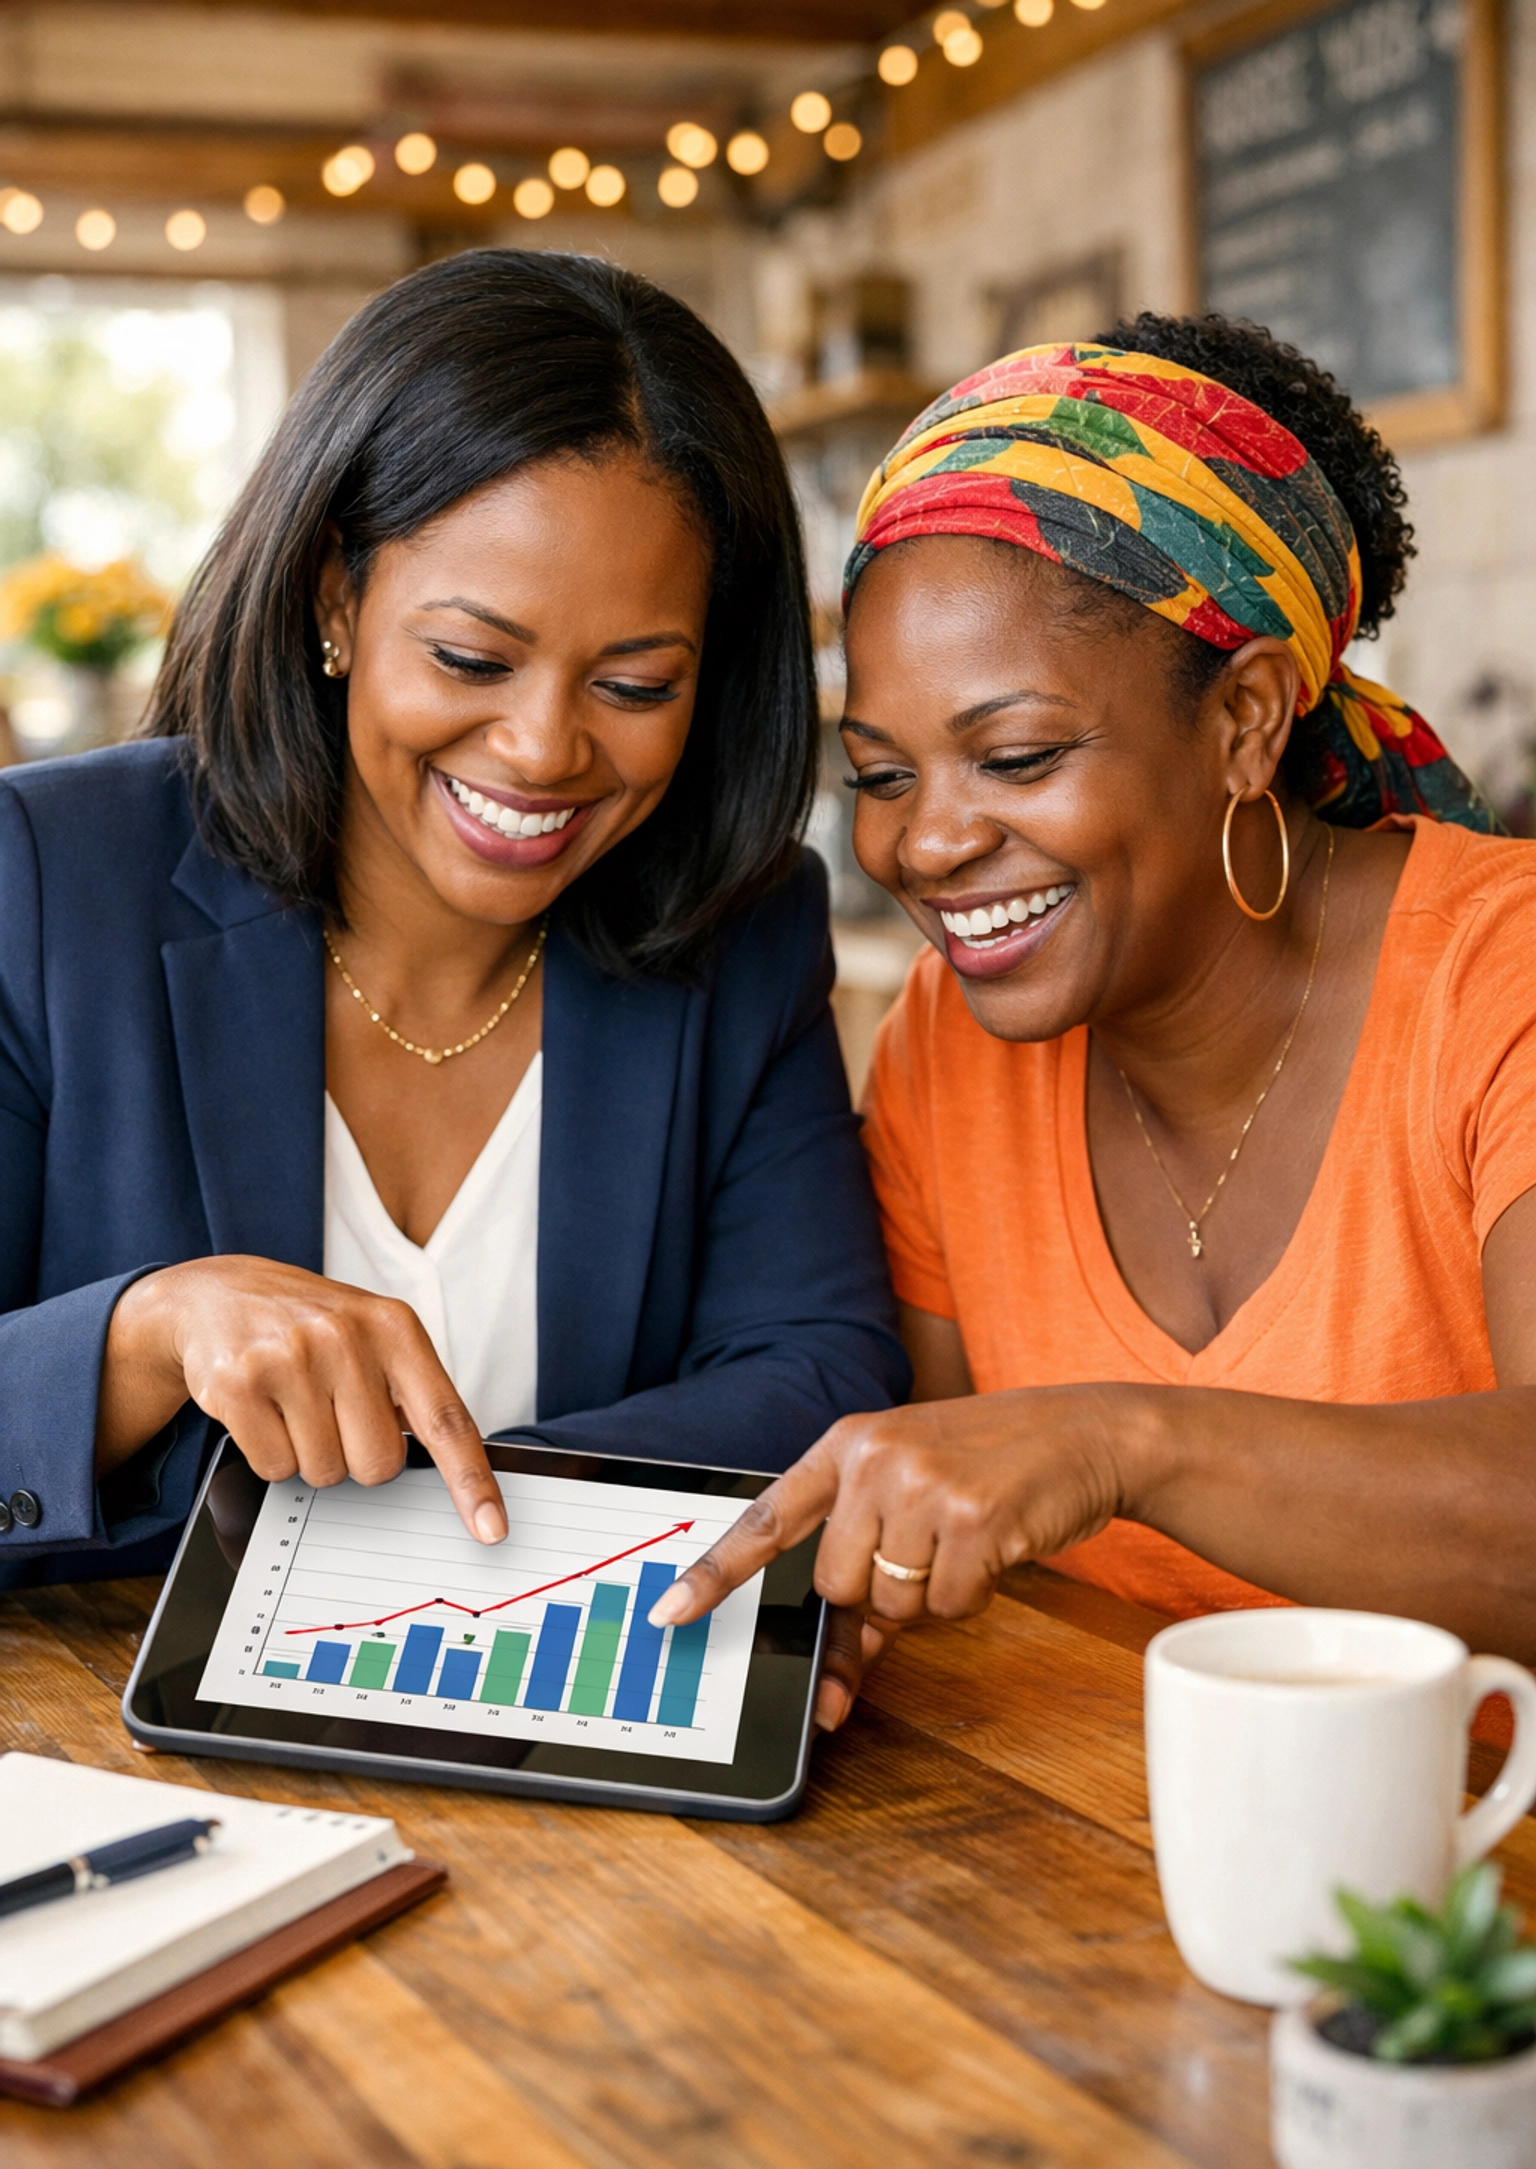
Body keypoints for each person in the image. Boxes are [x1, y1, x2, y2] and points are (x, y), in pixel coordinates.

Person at [651, 314, 1536, 1726]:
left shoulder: (1505, 974)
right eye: (881, 776)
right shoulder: (947, 1047)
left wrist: (1124, 1438)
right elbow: (950, 1536)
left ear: (1247, 718)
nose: (928, 845)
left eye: (1016, 757)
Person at [0, 249, 905, 1584]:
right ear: (334, 599)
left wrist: (426, 1539)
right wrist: (146, 1333)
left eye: (637, 685)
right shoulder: (47, 877)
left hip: (543, 1743)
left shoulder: (740, 927)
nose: (544, 749)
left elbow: (815, 1370)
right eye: (471, 660)